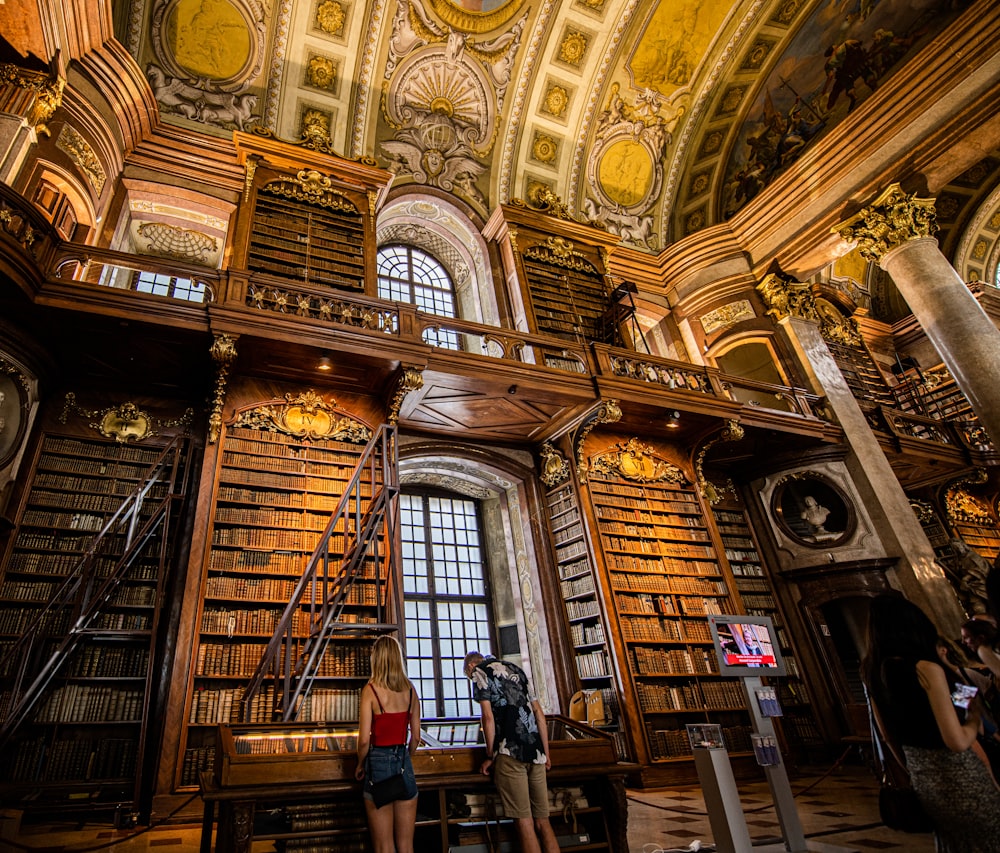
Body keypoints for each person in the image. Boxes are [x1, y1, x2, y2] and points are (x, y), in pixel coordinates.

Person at [863, 595, 1000, 851]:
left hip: (923, 779)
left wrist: (914, 771)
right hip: (962, 776)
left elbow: (888, 735)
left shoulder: (872, 671)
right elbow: (959, 739)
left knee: (952, 844)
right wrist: (974, 718)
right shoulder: (926, 668)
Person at [463, 651, 559, 853]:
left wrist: (490, 755)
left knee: (524, 822)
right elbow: (539, 714)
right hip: (536, 752)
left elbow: (488, 718)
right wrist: (546, 753)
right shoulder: (517, 670)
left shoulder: (479, 672)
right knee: (543, 821)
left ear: (471, 667)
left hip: (510, 752)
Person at [355, 635, 421, 853]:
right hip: (404, 764)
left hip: (378, 764)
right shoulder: (411, 690)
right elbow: (416, 736)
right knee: (406, 845)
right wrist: (406, 756)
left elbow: (364, 739)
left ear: (377, 659)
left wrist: (360, 763)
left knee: (384, 846)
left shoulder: (370, 690)